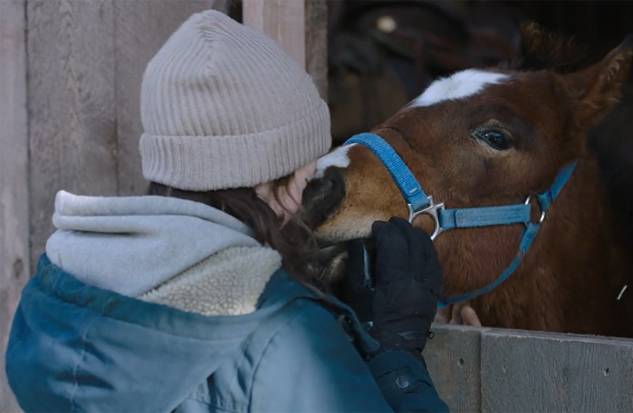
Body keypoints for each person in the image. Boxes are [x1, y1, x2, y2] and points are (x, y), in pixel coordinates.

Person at [5, 10, 447, 413]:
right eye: (307, 174)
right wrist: (397, 354)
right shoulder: (282, 338)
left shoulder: (52, 300)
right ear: (274, 178)